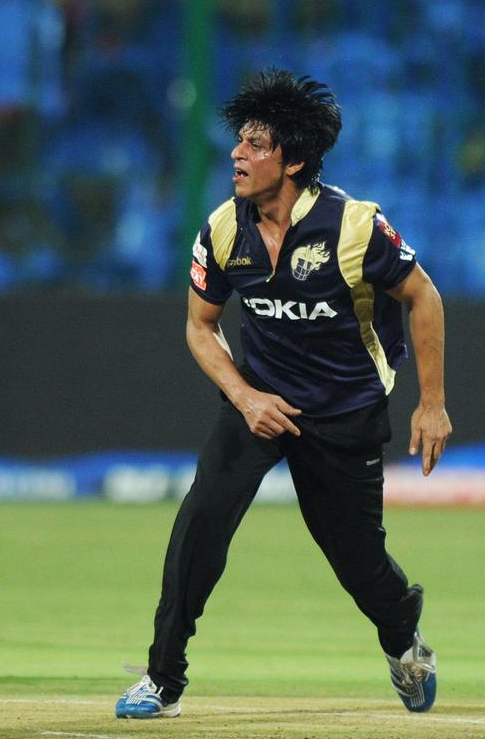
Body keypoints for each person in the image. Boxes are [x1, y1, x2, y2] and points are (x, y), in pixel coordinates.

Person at [114, 69, 451, 718]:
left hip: (345, 412)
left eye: (256, 144)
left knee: (357, 562)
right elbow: (200, 325)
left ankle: (404, 641)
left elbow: (424, 296)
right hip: (259, 403)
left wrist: (431, 404)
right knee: (201, 521)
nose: (237, 154)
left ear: (293, 160)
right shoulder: (223, 228)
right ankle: (162, 678)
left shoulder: (354, 227)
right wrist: (245, 397)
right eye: (239, 140)